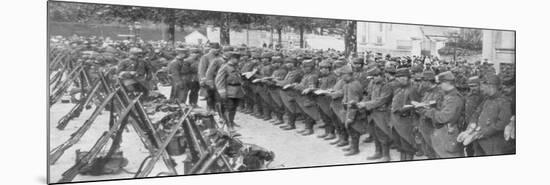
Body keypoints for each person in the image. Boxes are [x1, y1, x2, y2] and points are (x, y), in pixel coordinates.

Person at [419, 71, 464, 158]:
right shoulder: (447, 95)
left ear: (447, 82)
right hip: (442, 132)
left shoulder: (454, 98)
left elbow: (443, 117)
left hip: (449, 134)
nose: (439, 86)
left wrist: (426, 111)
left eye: (440, 83)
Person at [466, 75, 513, 156]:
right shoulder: (486, 99)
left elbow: (501, 124)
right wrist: (471, 126)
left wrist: (482, 133)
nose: (481, 88)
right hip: (479, 143)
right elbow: (476, 113)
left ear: (491, 86)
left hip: (493, 145)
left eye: (482, 86)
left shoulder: (504, 102)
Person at [357, 67, 394, 161]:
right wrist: (362, 102)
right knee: (374, 133)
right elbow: (368, 96)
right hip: (373, 112)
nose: (373, 78)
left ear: (381, 76)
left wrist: (365, 104)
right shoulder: (373, 85)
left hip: (382, 113)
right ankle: (378, 152)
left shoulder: (387, 86)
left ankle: (386, 155)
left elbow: (382, 100)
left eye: (375, 76)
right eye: (372, 77)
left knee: (383, 133)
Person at [389, 68, 420, 160]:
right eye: (398, 78)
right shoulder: (399, 89)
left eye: (402, 77)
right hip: (397, 121)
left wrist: (415, 124)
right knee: (401, 146)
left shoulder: (412, 90)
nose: (399, 80)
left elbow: (417, 107)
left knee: (408, 146)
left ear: (407, 78)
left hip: (407, 122)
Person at [215, 52, 245, 132]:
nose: (238, 60)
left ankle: (231, 122)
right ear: (231, 58)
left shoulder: (236, 66)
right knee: (229, 108)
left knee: (234, 108)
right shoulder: (225, 67)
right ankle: (229, 126)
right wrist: (222, 91)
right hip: (229, 90)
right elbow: (219, 80)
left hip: (237, 90)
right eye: (237, 59)